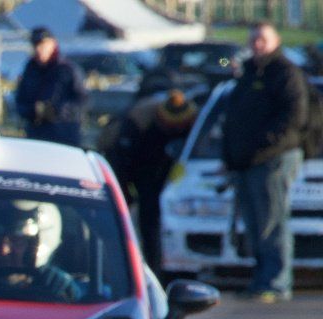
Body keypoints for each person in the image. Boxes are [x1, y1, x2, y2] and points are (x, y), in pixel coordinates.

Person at [222, 22, 309, 302]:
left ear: (276, 41)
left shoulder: (285, 73)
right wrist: (231, 156)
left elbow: (293, 118)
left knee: (272, 220)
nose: (256, 44)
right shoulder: (248, 74)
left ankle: (276, 281)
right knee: (254, 222)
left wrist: (262, 147)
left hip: (273, 159)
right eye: (253, 39)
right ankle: (261, 279)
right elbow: (232, 118)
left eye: (262, 39)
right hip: (246, 161)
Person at [108, 87, 201, 271]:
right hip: (141, 169)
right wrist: (126, 192)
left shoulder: (194, 123)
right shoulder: (139, 122)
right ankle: (148, 266)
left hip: (168, 171)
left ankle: (156, 264)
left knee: (153, 219)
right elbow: (121, 160)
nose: (175, 129)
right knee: (147, 220)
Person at [15, 26, 89, 146]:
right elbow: (20, 101)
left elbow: (81, 101)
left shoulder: (67, 69)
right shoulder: (30, 70)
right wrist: (33, 111)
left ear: (53, 43)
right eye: (36, 45)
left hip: (64, 137)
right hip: (36, 137)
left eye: (43, 45)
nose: (39, 49)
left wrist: (56, 110)